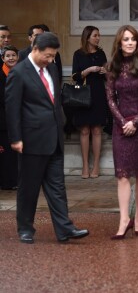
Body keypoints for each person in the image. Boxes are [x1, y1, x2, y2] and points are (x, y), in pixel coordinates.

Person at [5, 32, 89, 244]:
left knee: (57, 187)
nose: (52, 60)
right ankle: (25, 228)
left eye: (54, 56)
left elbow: (54, 101)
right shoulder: (19, 73)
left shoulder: (51, 68)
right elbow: (12, 108)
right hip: (31, 140)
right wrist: (15, 138)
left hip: (54, 137)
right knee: (29, 187)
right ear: (35, 49)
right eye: (48, 55)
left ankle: (64, 229)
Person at [106, 25, 138, 239]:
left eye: (133, 39)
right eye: (126, 39)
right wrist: (123, 121)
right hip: (120, 126)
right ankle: (124, 219)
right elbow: (110, 98)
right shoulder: (112, 67)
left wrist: (135, 121)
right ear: (120, 42)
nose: (130, 42)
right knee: (123, 175)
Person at [72, 25, 108, 179]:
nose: (98, 38)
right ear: (87, 37)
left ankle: (96, 166)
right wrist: (89, 70)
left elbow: (107, 73)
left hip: (99, 93)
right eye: (95, 35)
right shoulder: (78, 54)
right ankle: (85, 165)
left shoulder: (101, 53)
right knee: (85, 130)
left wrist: (104, 71)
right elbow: (75, 76)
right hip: (83, 94)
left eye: (98, 35)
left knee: (97, 130)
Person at [0, 45, 19, 190]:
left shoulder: (22, 73)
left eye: (13, 55)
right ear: (3, 58)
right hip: (3, 120)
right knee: (5, 152)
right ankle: (6, 182)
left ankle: (17, 181)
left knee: (17, 153)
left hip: (20, 119)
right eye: (8, 56)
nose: (11, 58)